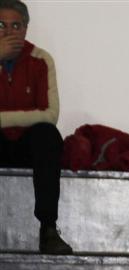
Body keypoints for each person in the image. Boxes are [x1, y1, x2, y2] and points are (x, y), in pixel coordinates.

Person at [0, 0, 71, 254]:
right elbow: (38, 114)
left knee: (47, 135)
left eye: (15, 25)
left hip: (26, 146)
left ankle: (48, 229)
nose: (8, 32)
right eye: (1, 25)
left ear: (25, 29)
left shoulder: (41, 60)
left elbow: (50, 115)